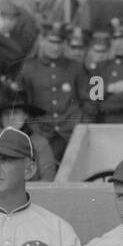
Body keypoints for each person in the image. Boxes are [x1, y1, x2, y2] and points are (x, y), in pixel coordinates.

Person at [18, 21, 91, 161]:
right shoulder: (28, 68)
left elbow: (89, 100)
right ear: (42, 41)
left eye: (60, 43)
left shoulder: (76, 67)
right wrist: (33, 128)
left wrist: (83, 125)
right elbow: (23, 103)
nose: (56, 47)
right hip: (41, 133)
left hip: (71, 133)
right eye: (51, 42)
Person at [0, 99, 57, 180]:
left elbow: (48, 179)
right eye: (7, 113)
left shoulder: (40, 143)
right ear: (1, 118)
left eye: (15, 113)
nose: (10, 118)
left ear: (25, 116)